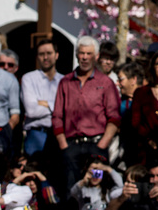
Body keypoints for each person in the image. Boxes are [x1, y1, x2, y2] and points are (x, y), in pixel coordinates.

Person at [52, 35, 121, 200]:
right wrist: (63, 145)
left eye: (89, 54)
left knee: (98, 190)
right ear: (77, 55)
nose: (84, 57)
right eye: (81, 53)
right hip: (71, 147)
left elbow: (114, 117)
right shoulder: (65, 82)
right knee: (71, 191)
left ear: (96, 56)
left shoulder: (105, 83)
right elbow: (57, 116)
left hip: (97, 147)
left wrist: (102, 144)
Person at [22, 38, 63, 156]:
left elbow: (67, 109)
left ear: (57, 55)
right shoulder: (28, 78)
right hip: (36, 135)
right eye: (41, 54)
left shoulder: (65, 81)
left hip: (58, 135)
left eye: (49, 53)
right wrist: (55, 106)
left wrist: (45, 103)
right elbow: (31, 111)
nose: (45, 57)